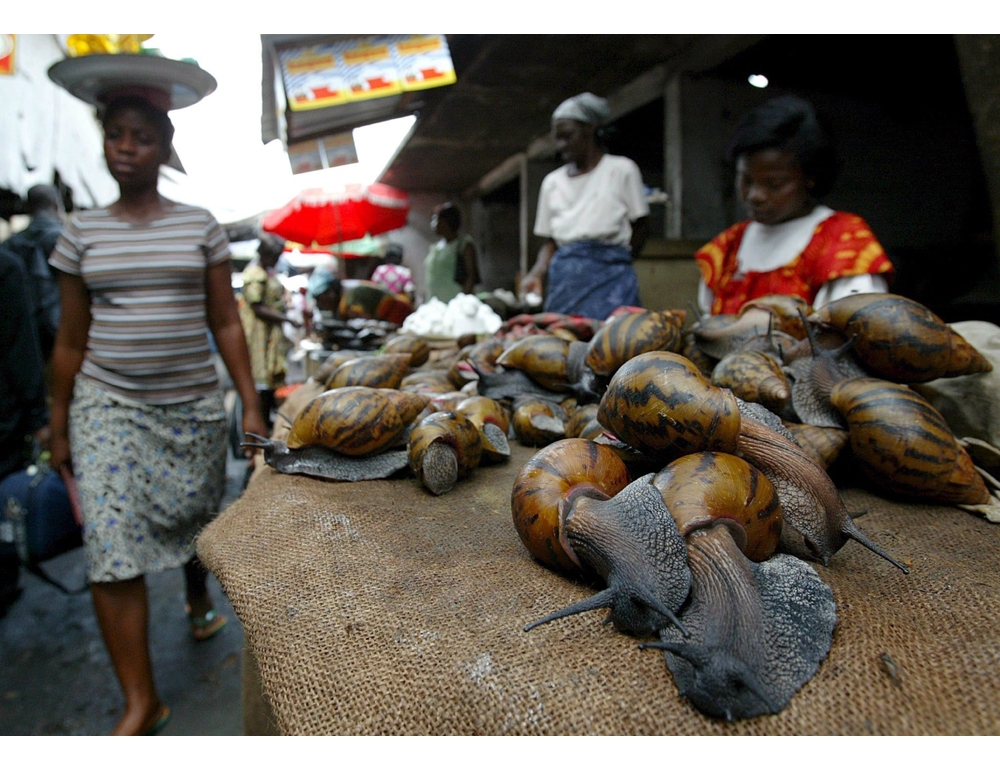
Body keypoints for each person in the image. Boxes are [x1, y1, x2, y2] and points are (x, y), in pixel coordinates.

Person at [46, 87, 267, 736]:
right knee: (111, 546)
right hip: (106, 404)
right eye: (116, 133)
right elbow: (68, 340)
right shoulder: (79, 232)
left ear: (165, 147)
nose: (126, 146)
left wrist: (250, 402)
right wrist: (58, 424)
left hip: (191, 410)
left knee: (194, 525)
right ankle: (141, 702)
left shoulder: (198, 225)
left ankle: (197, 595)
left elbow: (227, 321)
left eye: (141, 135)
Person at [695, 95, 894, 315]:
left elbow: (858, 330)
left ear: (810, 177)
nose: (755, 195)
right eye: (746, 180)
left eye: (775, 184)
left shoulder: (844, 243)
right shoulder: (727, 248)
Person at [522, 92, 650, 320]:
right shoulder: (552, 183)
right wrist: (537, 272)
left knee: (618, 345)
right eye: (557, 138)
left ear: (589, 128)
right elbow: (551, 241)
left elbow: (640, 225)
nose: (561, 145)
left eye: (567, 136)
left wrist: (617, 260)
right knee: (564, 343)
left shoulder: (621, 170)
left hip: (613, 278)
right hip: (566, 283)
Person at [238, 232, 301, 430]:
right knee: (260, 384)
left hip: (270, 334)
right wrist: (287, 318)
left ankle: (267, 424)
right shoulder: (255, 274)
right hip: (260, 335)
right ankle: (257, 428)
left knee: (269, 386)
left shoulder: (267, 271)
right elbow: (257, 306)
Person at [0, 184, 65, 361]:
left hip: (24, 330)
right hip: (61, 330)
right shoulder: (68, 241)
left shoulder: (11, 245)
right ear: (55, 204)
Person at [423, 202, 479, 303]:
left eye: (436, 219)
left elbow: (471, 276)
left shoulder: (463, 245)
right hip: (435, 303)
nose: (433, 223)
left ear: (446, 222)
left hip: (454, 304)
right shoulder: (436, 247)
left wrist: (461, 302)